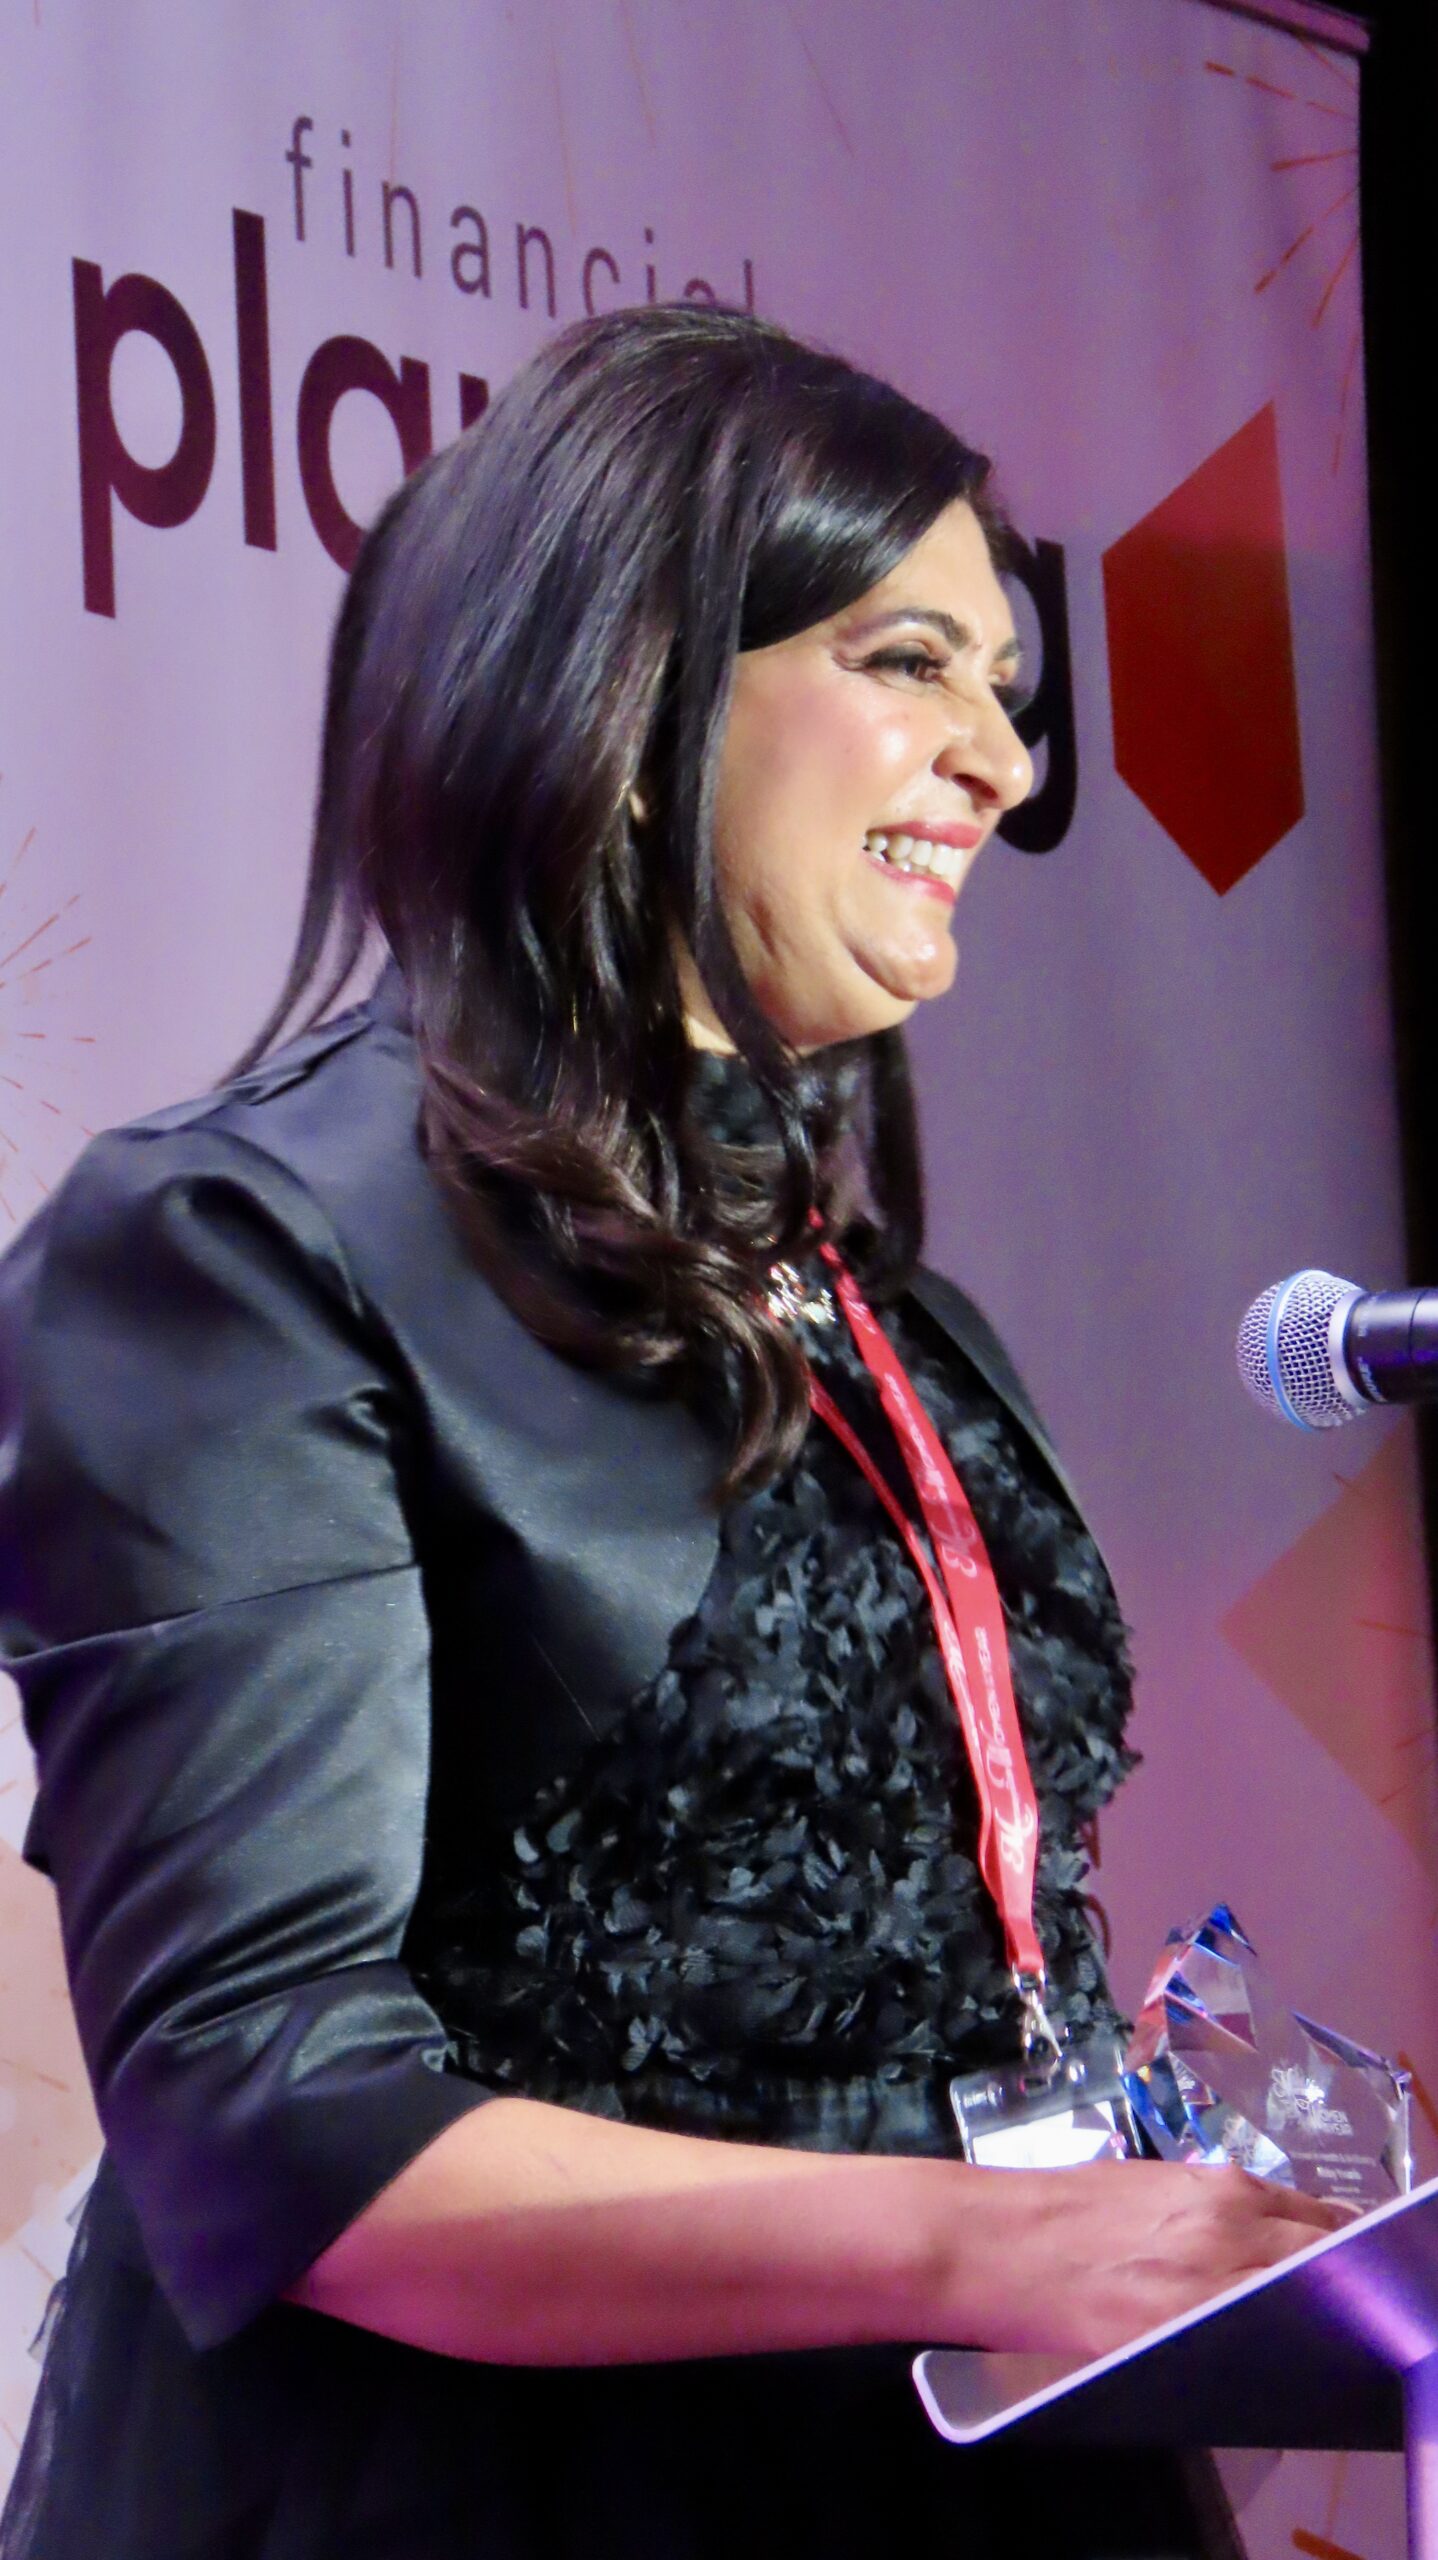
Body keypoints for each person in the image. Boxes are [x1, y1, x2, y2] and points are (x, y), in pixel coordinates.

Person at [0, 304, 1342, 2560]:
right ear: (631, 698)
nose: (999, 765)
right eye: (908, 661)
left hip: (953, 2465)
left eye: (1002, 690)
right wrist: (996, 2246)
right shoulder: (230, 1247)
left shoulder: (879, 1306)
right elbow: (267, 2109)